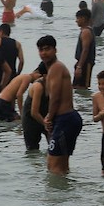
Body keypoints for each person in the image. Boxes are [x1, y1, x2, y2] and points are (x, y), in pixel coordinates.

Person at [38, 35, 84, 174]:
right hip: (67, 119)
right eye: (41, 50)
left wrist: (49, 117)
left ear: (55, 50)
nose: (44, 53)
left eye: (47, 49)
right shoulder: (53, 69)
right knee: (62, 165)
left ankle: (55, 195)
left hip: (65, 119)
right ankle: (66, 194)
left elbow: (56, 97)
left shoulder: (56, 67)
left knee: (53, 165)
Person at [21, 64, 49, 151]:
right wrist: (45, 124)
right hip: (31, 119)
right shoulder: (38, 86)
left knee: (55, 147)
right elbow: (34, 112)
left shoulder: (55, 85)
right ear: (44, 76)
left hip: (45, 117)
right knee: (32, 151)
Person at [74, 7, 96, 89]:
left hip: (85, 64)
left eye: (78, 18)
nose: (76, 21)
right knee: (76, 87)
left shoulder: (86, 32)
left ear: (83, 19)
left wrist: (79, 67)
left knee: (82, 88)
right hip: (82, 63)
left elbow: (85, 50)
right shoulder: (85, 31)